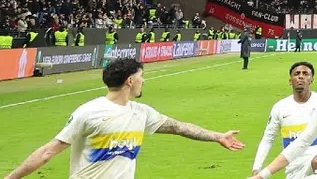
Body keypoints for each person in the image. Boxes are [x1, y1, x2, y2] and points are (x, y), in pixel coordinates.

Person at [5, 57, 244, 179]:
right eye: (141, 76)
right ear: (130, 80)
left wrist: (217, 137)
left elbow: (179, 127)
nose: (143, 81)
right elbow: (49, 151)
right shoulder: (89, 112)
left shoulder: (142, 112)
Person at [253, 61, 317, 179]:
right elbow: (268, 139)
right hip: (293, 166)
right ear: (290, 80)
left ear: (311, 79)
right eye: (296, 74)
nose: (301, 76)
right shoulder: (280, 107)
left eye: (305, 74)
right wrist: (256, 169)